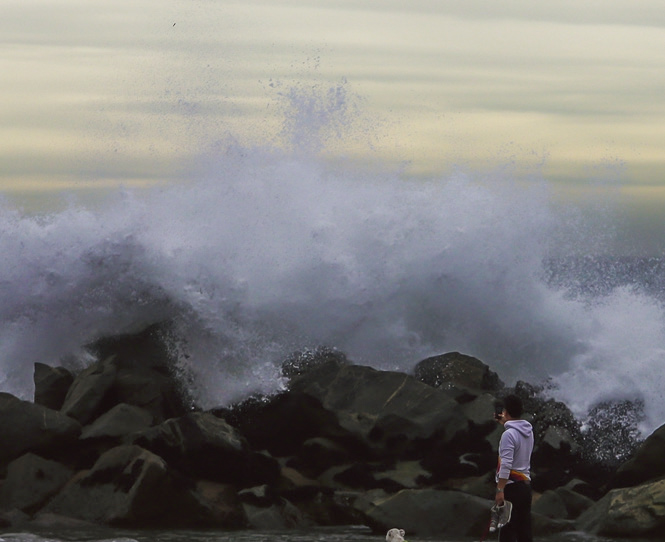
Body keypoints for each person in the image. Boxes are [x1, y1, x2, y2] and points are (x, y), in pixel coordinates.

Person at [494, 394, 534, 542]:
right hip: (525, 487)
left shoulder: (508, 435)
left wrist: (500, 490)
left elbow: (506, 465)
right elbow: (514, 429)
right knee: (524, 532)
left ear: (505, 411)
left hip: (511, 488)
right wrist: (505, 422)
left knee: (507, 532)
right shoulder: (528, 432)